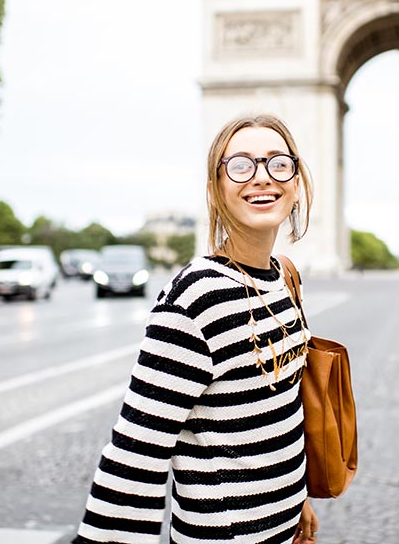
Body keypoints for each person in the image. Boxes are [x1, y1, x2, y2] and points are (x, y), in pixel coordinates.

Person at [74, 114, 319, 544]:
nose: (262, 176)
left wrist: (298, 496)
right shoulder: (196, 297)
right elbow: (137, 449)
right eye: (240, 165)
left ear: (296, 184)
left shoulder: (282, 277)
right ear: (214, 190)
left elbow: (280, 411)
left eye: (278, 163)